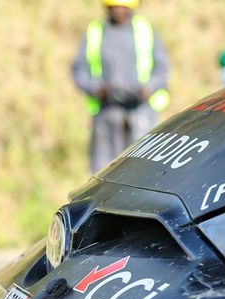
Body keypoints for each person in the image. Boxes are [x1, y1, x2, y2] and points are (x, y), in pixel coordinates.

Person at [71, 0, 171, 173]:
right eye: (113, 7)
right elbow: (79, 69)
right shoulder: (95, 32)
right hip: (107, 113)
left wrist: (149, 88)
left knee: (144, 170)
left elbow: (162, 68)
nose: (118, 11)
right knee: (105, 172)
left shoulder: (144, 30)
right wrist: (96, 89)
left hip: (141, 112)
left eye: (122, 7)